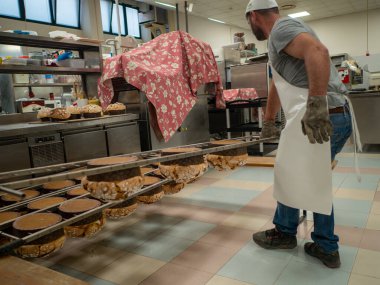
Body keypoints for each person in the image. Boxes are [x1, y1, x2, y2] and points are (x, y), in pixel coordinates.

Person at [245, 0, 353, 268]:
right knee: (293, 171)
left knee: (309, 177)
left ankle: (323, 245)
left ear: (254, 16)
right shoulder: (280, 40)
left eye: (249, 22)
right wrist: (269, 121)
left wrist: (316, 105)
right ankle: (287, 230)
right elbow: (277, 82)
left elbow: (318, 51)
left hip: (322, 114)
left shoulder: (282, 28)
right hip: (333, 113)